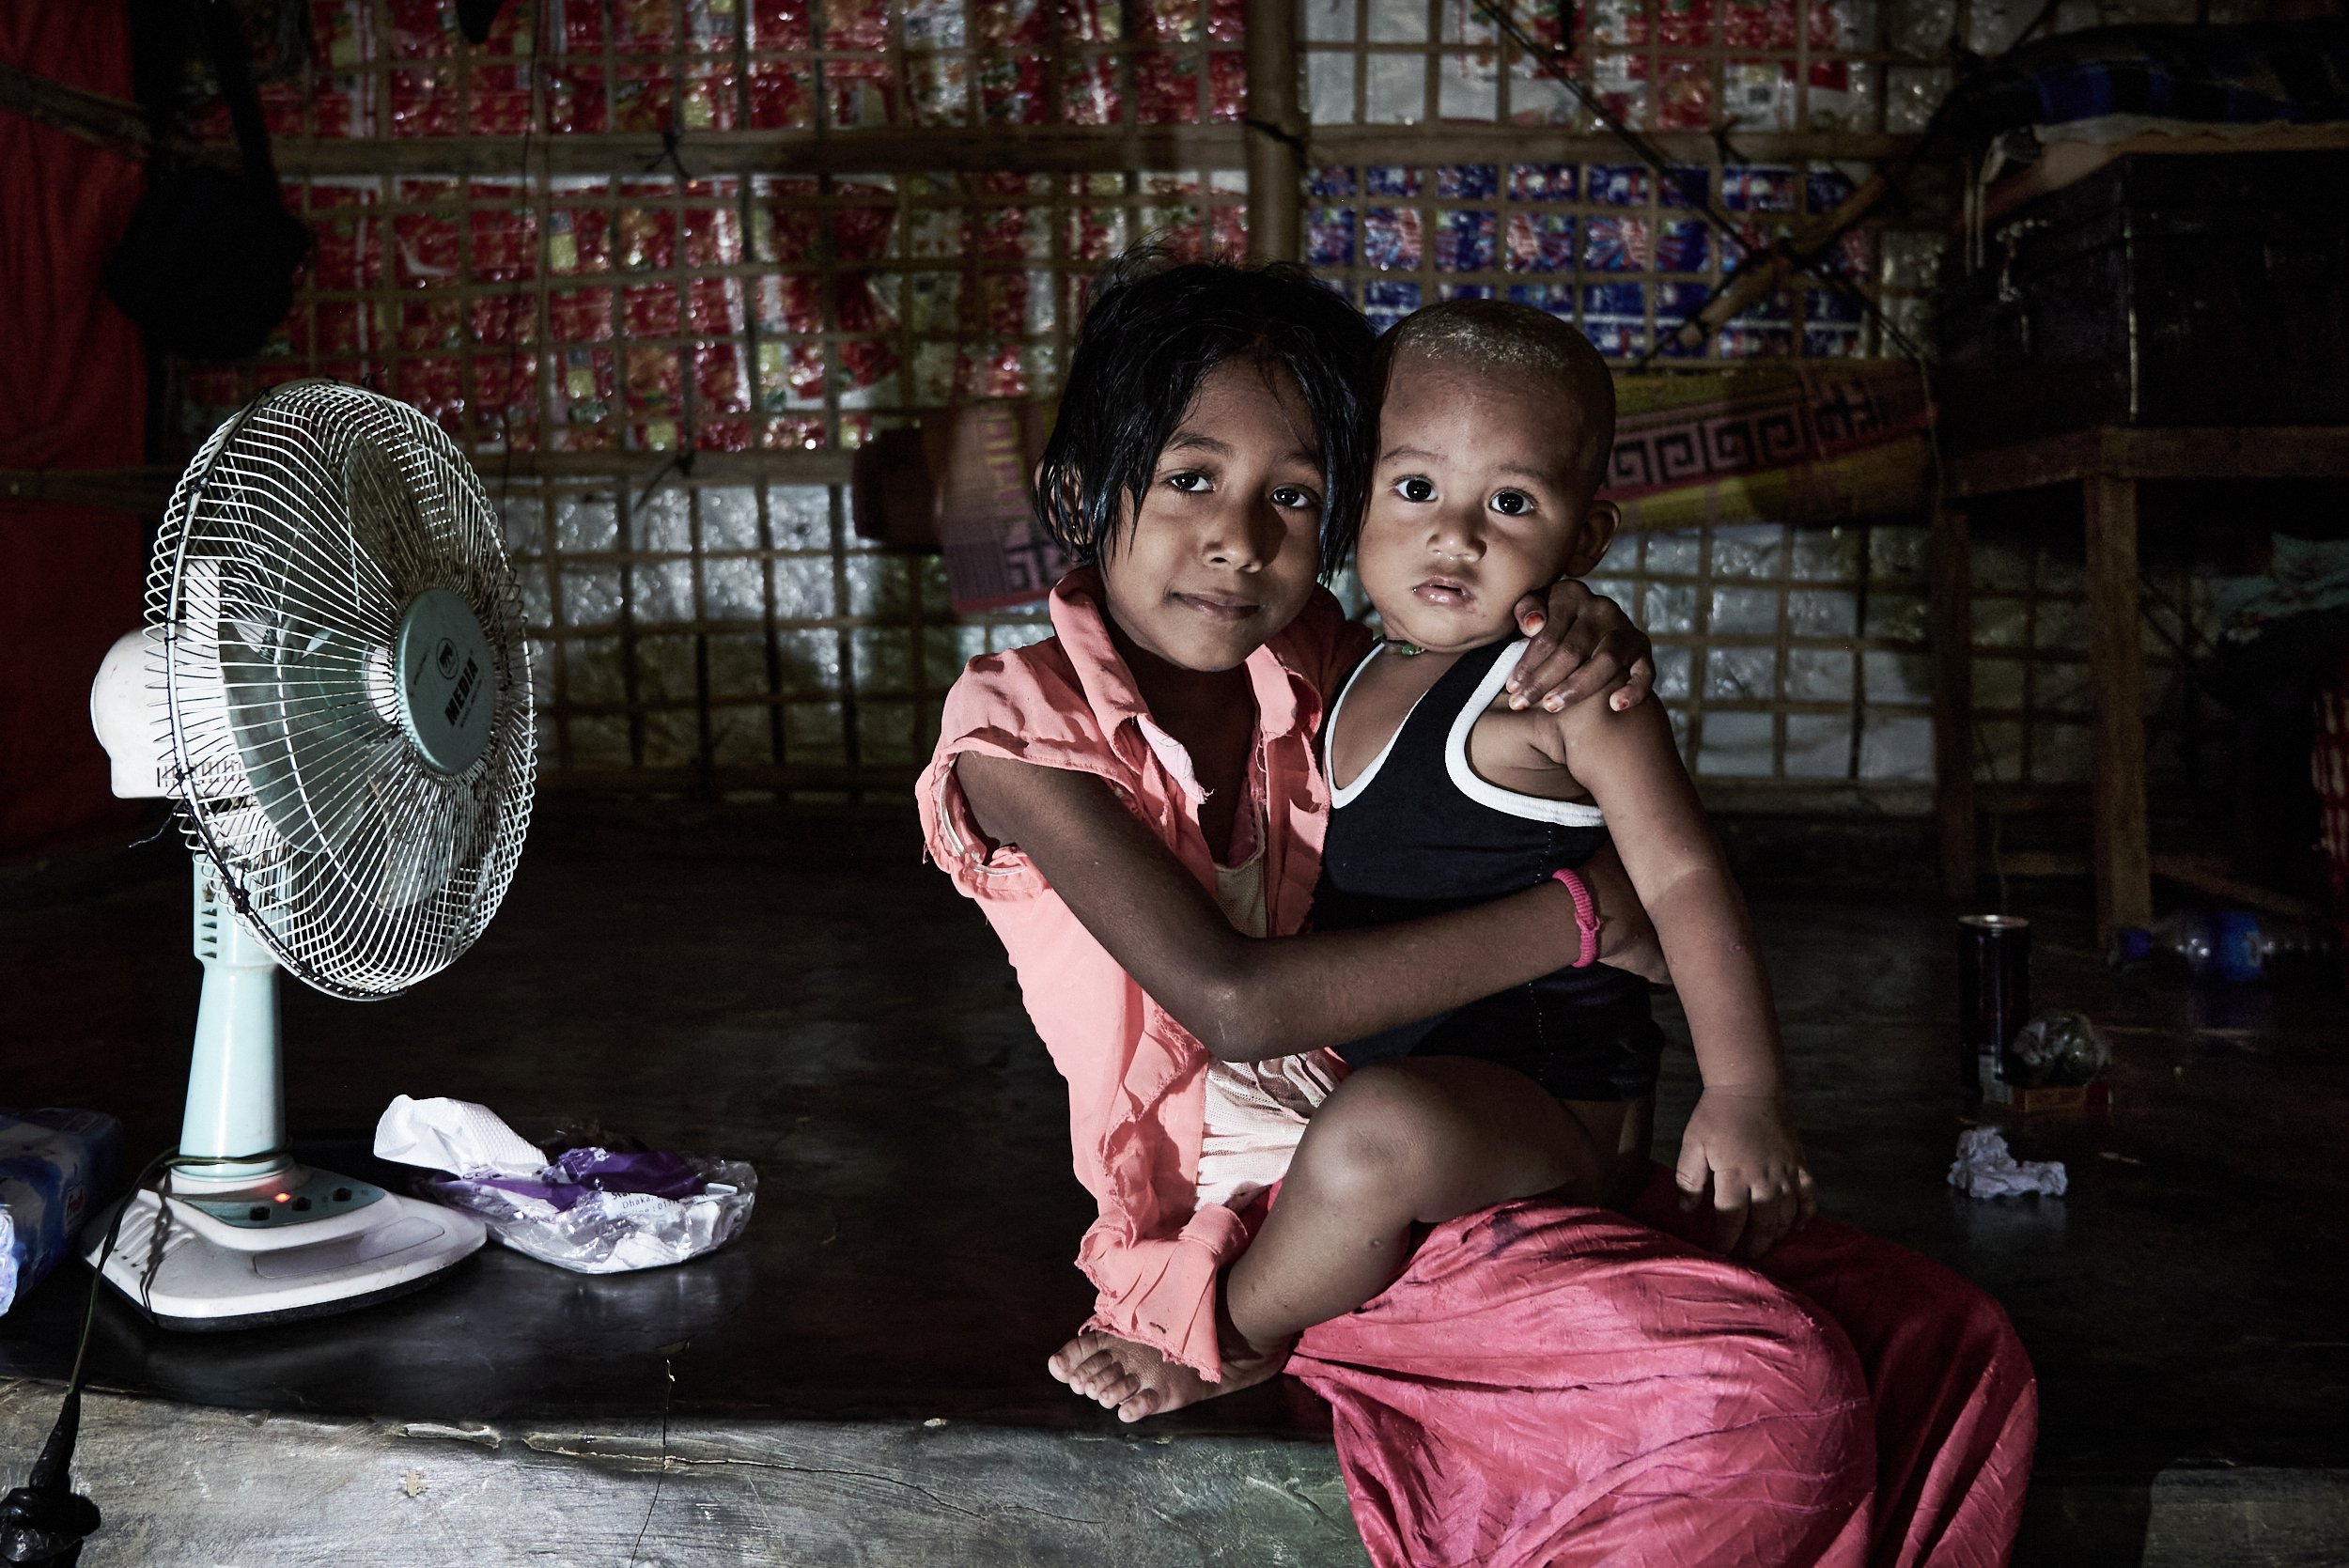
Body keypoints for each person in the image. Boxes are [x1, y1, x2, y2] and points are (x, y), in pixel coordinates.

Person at [918, 254, 2036, 1567]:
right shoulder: (1011, 729)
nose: (1241, 536)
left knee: (1948, 1344)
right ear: (1073, 491)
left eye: (1294, 494)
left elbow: (1489, 650)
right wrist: (1583, 916)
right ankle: (1224, 1342)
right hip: (1265, 1226)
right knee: (1765, 1396)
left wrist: (1575, 615)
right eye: (1186, 478)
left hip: (1460, 1142)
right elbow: (1229, 1001)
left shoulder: (1324, 664)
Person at [1214, 296, 1817, 1361]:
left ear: (1580, 538)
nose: (1455, 532)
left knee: (1371, 1138)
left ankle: (1224, 1340)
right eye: (1414, 488)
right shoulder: (1354, 665)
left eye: (1511, 501)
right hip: (1423, 1088)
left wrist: (1743, 1094)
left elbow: (1681, 879)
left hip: (1551, 1118)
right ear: (1352, 500)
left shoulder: (1559, 691)